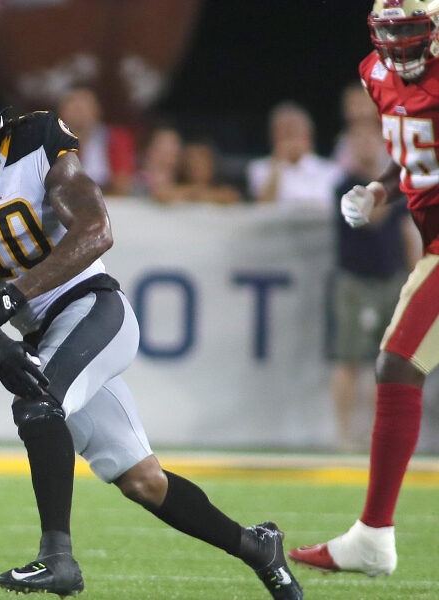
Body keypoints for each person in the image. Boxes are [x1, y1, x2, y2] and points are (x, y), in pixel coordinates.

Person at [0, 69, 303, 599]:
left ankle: (58, 558)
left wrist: (12, 296)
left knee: (37, 404)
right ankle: (257, 547)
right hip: (42, 333)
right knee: (143, 481)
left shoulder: (35, 140)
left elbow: (97, 230)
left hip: (92, 309)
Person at [289, 0, 439, 576]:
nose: (399, 46)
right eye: (390, 32)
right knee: (396, 365)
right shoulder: (374, 74)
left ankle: (374, 535)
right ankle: (373, 535)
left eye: (411, 31)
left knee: (399, 362)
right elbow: (416, 159)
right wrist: (380, 189)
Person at [327, 120, 414, 451]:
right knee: (348, 358)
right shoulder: (345, 185)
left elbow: (406, 230)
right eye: (358, 139)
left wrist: (412, 273)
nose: (365, 145)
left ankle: (378, 435)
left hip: (389, 278)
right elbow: (369, 217)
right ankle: (344, 434)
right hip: (355, 280)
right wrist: (386, 186)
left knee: (387, 362)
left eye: (371, 138)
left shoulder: (391, 185)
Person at [247, 102, 342, 211]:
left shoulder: (331, 170)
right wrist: (277, 165)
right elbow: (263, 207)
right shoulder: (259, 168)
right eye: (285, 134)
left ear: (308, 135)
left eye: (295, 132)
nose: (291, 140)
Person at [56, 86, 136, 196]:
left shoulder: (115, 139)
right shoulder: (45, 141)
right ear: (62, 110)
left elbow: (123, 186)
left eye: (85, 105)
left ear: (97, 111)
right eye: (73, 104)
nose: (79, 110)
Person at [154, 138, 242, 205]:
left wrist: (201, 194)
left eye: (201, 160)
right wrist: (193, 192)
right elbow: (161, 195)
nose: (195, 165)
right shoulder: (173, 189)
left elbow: (232, 197)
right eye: (192, 159)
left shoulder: (224, 191)